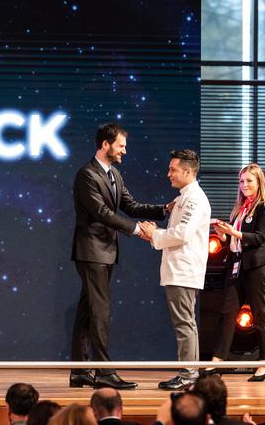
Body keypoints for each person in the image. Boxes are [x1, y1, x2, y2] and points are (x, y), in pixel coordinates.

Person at [70, 123, 168, 390]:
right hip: (92, 251)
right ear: (106, 145)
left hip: (106, 251)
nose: (124, 151)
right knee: (100, 310)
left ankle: (79, 371)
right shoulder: (86, 175)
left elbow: (130, 205)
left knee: (88, 309)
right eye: (121, 146)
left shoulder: (114, 174)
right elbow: (102, 213)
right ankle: (103, 372)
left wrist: (163, 210)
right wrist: (137, 230)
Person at [138, 149, 210, 390]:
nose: (168, 174)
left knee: (184, 323)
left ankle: (189, 374)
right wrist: (153, 236)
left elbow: (182, 234)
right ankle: (188, 372)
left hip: (184, 271)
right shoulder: (183, 198)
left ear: (187, 172)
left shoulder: (195, 199)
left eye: (173, 170)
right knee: (184, 322)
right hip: (178, 270)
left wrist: (154, 233)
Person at [209, 163, 265, 381]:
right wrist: (223, 235)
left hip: (257, 267)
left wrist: (234, 233)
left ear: (259, 182)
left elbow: (260, 238)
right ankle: (217, 360)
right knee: (227, 312)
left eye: (249, 181)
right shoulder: (240, 208)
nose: (244, 185)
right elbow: (232, 241)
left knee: (259, 313)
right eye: (241, 181)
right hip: (236, 265)